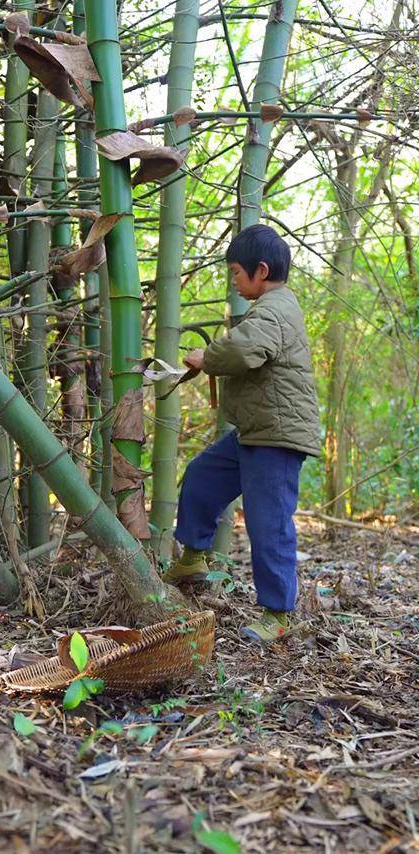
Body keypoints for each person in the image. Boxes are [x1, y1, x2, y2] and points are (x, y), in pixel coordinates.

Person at [163, 224, 321, 642]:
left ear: (261, 270)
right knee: (201, 476)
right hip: (255, 432)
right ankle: (194, 556)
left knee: (269, 524)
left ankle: (278, 615)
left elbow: (242, 350)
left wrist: (205, 357)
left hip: (277, 437)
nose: (233, 280)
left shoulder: (277, 308)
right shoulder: (270, 309)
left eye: (236, 272)